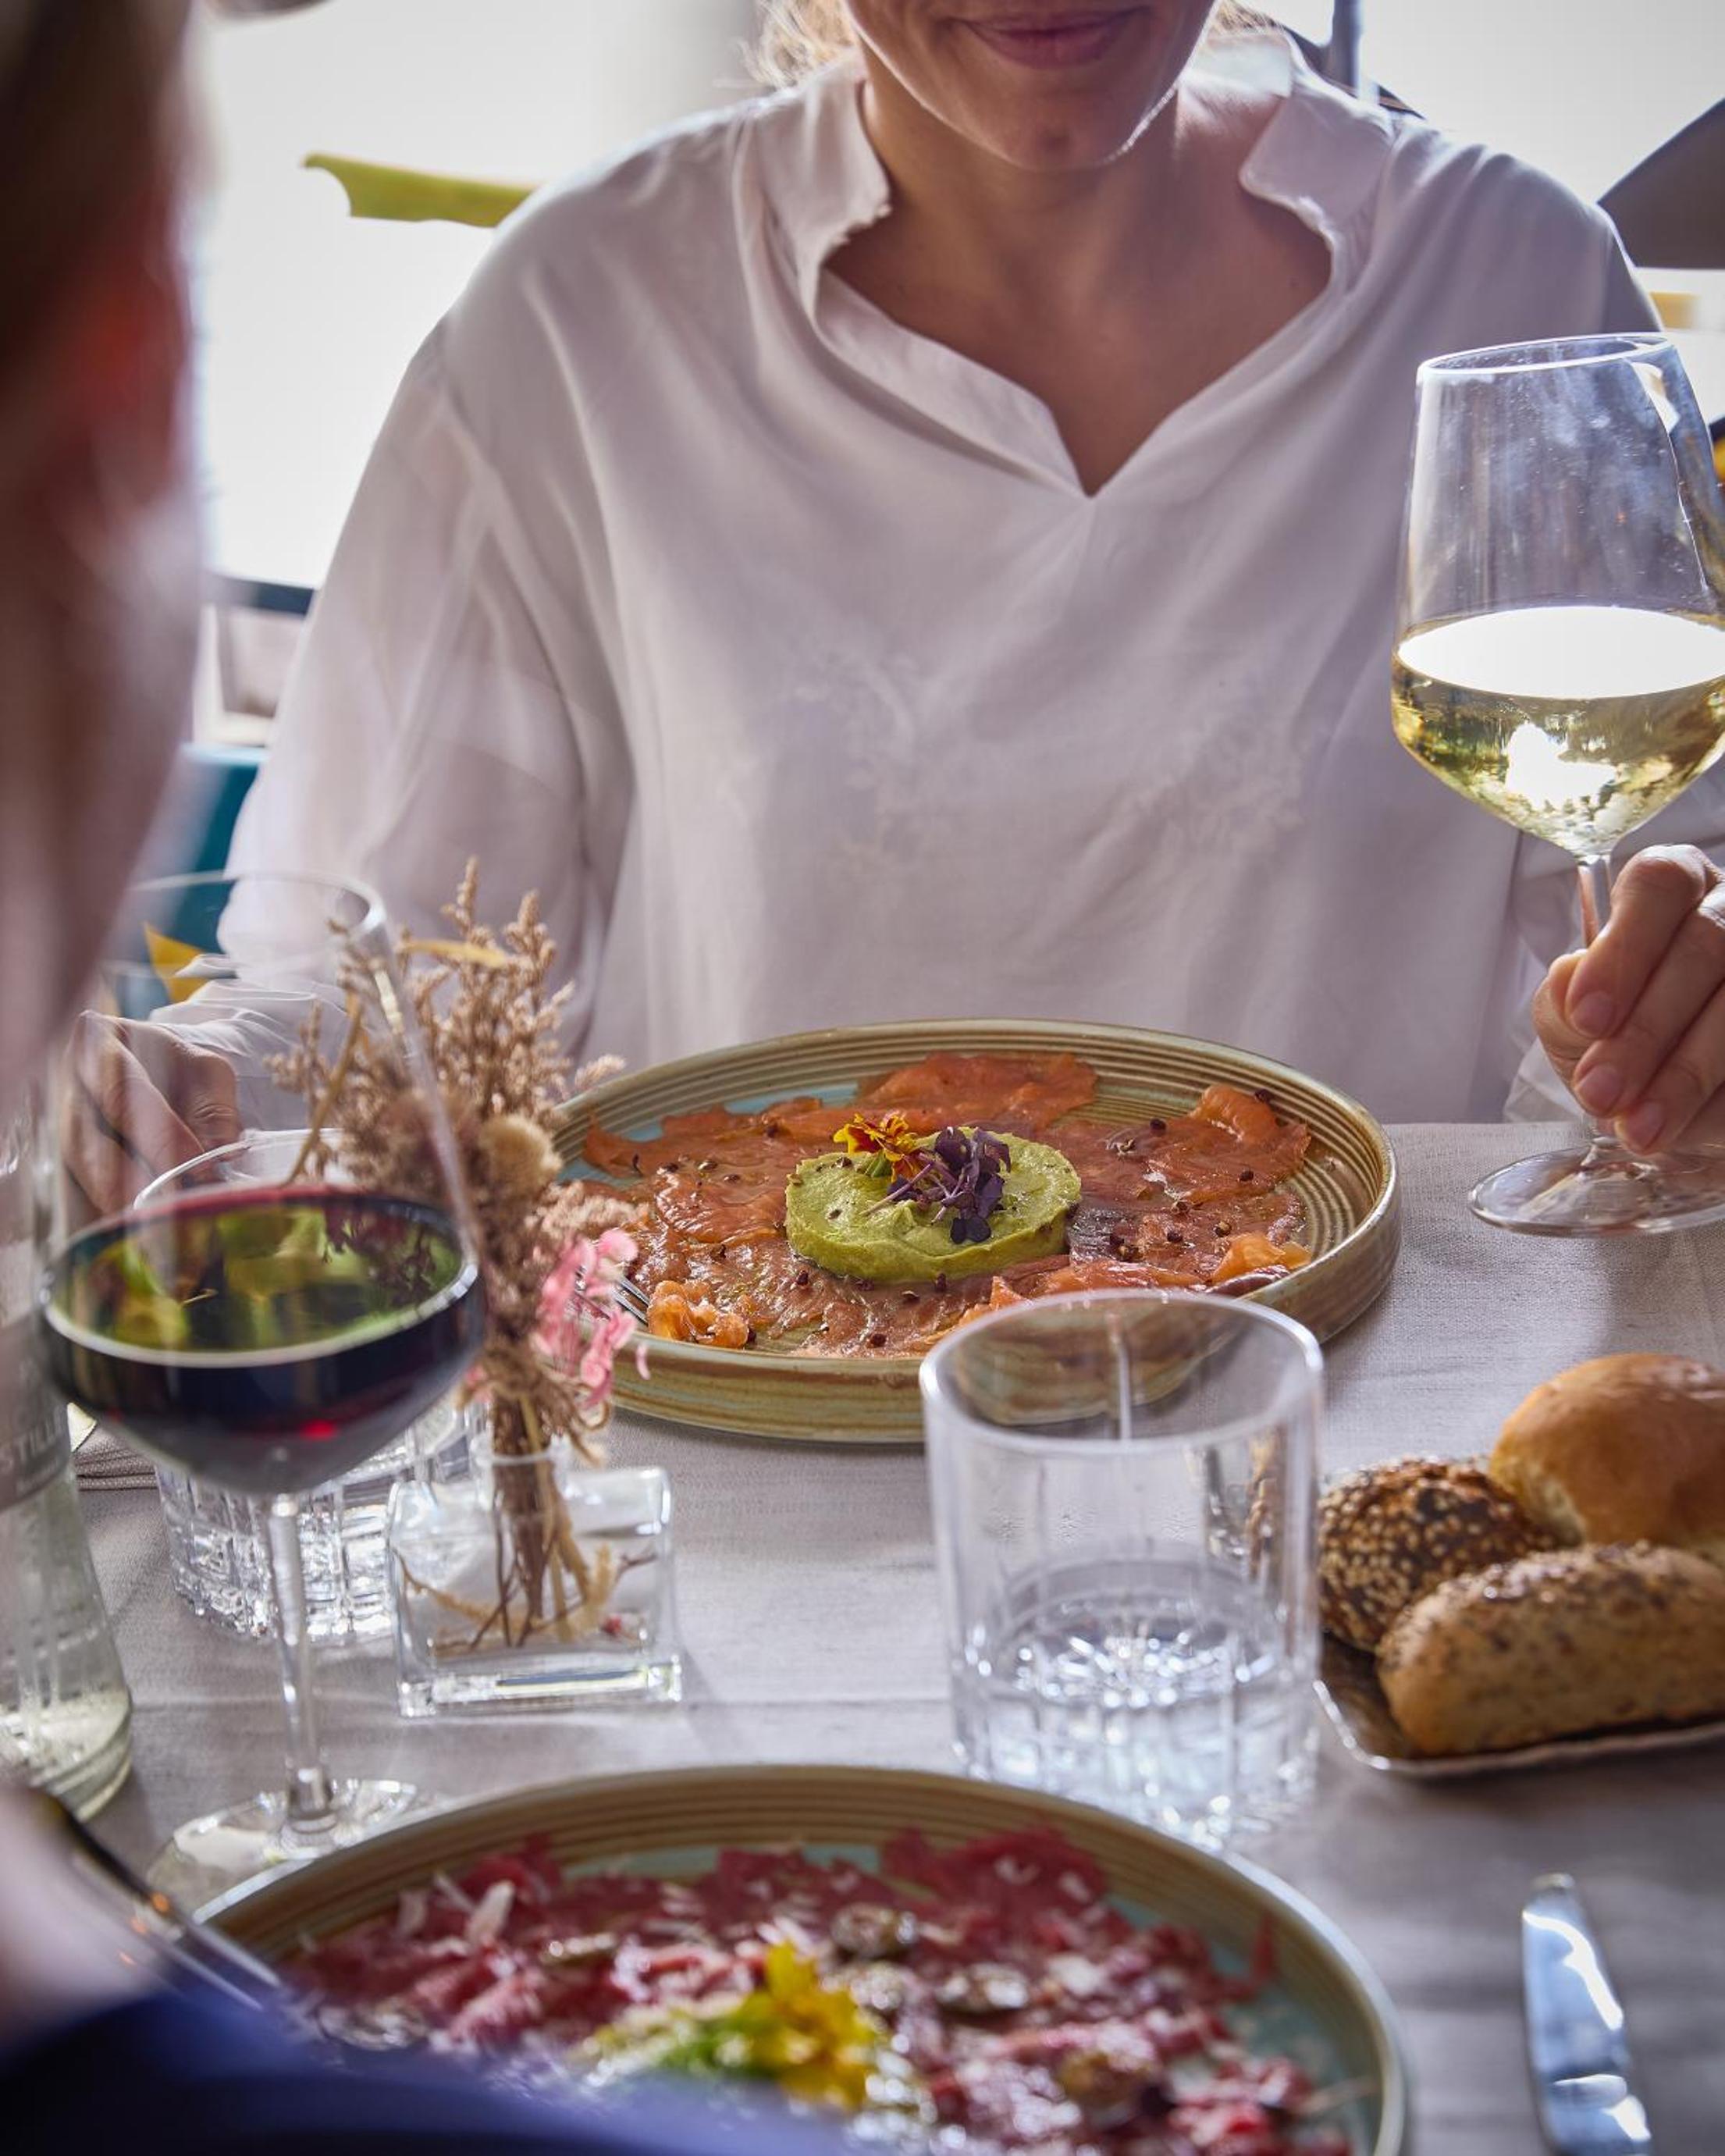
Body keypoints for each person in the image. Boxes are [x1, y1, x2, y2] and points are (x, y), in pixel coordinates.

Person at [205, 0, 1725, 1162]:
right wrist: (185, 1086)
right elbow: (373, 987)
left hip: (1384, 1416)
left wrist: (1680, 1006)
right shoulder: (577, 318)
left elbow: (1672, 895)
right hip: (755, 1431)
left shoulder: (1512, 275)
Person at [0, 8, 816, 2152]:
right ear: (133, 357)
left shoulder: (1479, 251)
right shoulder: (581, 310)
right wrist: (219, 1063)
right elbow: (327, 980)